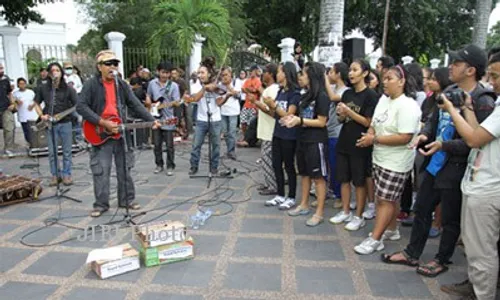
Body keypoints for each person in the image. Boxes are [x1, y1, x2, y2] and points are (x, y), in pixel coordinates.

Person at [381, 50, 495, 273]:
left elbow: (477, 142)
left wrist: (444, 145)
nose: (450, 66)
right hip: (435, 164)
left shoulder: (483, 101)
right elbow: (433, 122)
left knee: (450, 219)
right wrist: (425, 135)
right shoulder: (449, 92)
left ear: (471, 70)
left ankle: (441, 259)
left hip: (457, 168)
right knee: (422, 209)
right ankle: (412, 253)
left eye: (457, 63)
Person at [437, 53, 500, 300]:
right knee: (478, 249)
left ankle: (482, 294)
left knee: (481, 252)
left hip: (487, 188)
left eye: (495, 76)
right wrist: (466, 108)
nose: (491, 82)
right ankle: (476, 289)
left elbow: (472, 139)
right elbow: (478, 132)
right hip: (481, 182)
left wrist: (452, 110)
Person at [77, 50, 160, 217]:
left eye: (115, 63)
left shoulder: (121, 84)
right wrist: (102, 122)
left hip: (119, 132)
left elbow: (135, 104)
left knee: (125, 168)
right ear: (99, 67)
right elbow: (81, 107)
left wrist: (151, 120)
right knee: (102, 170)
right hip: (100, 133)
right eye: (108, 64)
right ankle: (100, 204)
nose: (112, 67)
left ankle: (126, 200)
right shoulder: (91, 84)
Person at [354, 64, 422, 255]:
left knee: (384, 200)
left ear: (402, 82)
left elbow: (405, 137)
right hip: (380, 157)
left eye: (389, 78)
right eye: (384, 78)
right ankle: (391, 230)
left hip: (396, 162)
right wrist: (369, 135)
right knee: (388, 198)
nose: (384, 82)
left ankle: (375, 239)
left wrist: (373, 139)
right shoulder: (384, 100)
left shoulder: (408, 106)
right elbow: (374, 123)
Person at [329, 59, 379, 231]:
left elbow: (368, 122)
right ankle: (345, 211)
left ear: (365, 73)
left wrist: (349, 111)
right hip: (344, 140)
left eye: (355, 70)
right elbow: (342, 119)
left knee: (359, 181)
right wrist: (341, 114)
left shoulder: (371, 96)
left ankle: (358, 215)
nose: (350, 73)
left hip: (360, 142)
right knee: (343, 178)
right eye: (350, 70)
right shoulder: (347, 94)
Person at [260, 62, 300, 210]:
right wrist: (267, 105)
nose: (277, 74)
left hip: (289, 134)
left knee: (289, 166)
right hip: (277, 132)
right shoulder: (281, 91)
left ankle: (291, 196)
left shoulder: (295, 93)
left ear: (286, 73)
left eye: (280, 71)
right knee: (276, 164)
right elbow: (275, 114)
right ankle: (280, 194)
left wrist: (274, 105)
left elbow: (290, 115)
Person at [35, 62, 77, 186]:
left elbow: (77, 104)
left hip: (65, 122)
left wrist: (66, 113)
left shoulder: (69, 89)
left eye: (57, 70)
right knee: (52, 152)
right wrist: (42, 115)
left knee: (67, 151)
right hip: (50, 124)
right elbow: (36, 103)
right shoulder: (43, 88)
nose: (55, 72)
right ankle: (55, 175)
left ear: (61, 72)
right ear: (48, 73)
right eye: (52, 70)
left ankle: (67, 174)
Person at [185, 57, 225, 175]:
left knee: (216, 146)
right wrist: (204, 88)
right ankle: (194, 166)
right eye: (199, 72)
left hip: (215, 120)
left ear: (209, 74)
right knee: (196, 144)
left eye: (202, 73)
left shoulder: (216, 84)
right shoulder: (196, 85)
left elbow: (219, 100)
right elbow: (195, 98)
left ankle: (214, 167)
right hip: (201, 120)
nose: (200, 75)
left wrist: (216, 90)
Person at [323, 63, 350, 209]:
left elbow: (334, 98)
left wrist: (324, 78)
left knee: (336, 165)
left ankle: (340, 196)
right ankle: (332, 191)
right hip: (328, 130)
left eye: (331, 72)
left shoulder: (345, 91)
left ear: (339, 74)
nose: (329, 75)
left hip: (338, 133)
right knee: (328, 165)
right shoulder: (332, 87)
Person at [147, 62, 181, 176]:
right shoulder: (152, 84)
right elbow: (148, 96)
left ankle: (170, 165)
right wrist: (150, 105)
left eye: (167, 73)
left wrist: (175, 103)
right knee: (157, 144)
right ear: (158, 71)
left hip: (168, 118)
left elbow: (177, 101)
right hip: (156, 118)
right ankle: (159, 164)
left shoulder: (174, 86)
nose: (165, 75)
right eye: (163, 72)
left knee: (170, 145)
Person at [252, 63, 280, 196]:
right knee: (267, 158)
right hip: (267, 131)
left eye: (265, 72)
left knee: (266, 158)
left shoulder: (273, 90)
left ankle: (273, 185)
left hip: (271, 131)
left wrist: (256, 102)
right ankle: (270, 183)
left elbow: (273, 112)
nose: (262, 74)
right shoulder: (269, 89)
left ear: (270, 74)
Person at [219, 67, 240, 160]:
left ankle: (231, 151)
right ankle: (228, 150)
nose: (225, 77)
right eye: (223, 75)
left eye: (226, 75)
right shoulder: (220, 84)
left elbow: (237, 95)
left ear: (231, 74)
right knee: (226, 133)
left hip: (233, 111)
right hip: (223, 111)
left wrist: (228, 86)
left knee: (232, 132)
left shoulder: (236, 82)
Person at [13, 78, 37, 147]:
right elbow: (13, 104)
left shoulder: (31, 92)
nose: (22, 85)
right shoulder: (15, 94)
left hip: (32, 116)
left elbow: (36, 101)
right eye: (20, 84)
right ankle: (29, 144)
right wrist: (16, 102)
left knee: (33, 131)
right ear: (18, 84)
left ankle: (34, 144)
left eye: (23, 83)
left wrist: (32, 106)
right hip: (22, 116)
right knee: (26, 132)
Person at [240, 65, 262, 139]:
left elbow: (255, 90)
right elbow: (243, 89)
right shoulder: (247, 80)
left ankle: (249, 138)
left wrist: (248, 89)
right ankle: (244, 136)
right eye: (249, 71)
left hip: (254, 106)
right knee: (243, 122)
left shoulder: (258, 80)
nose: (250, 73)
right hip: (246, 105)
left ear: (255, 71)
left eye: (251, 71)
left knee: (251, 124)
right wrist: (250, 90)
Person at [0, 63, 14, 156]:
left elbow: (9, 93)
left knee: (9, 129)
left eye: (1, 68)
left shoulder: (5, 80)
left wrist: (13, 103)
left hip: (6, 108)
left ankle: (8, 148)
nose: (1, 70)